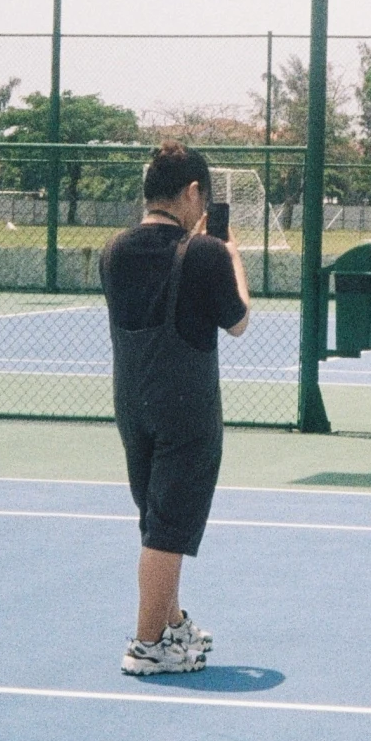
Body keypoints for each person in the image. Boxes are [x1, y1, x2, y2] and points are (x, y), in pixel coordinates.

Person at [99, 143, 250, 675]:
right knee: (167, 530)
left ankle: (172, 623)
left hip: (132, 404)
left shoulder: (113, 250)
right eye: (201, 197)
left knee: (157, 523)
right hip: (186, 408)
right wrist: (229, 252)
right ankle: (146, 644)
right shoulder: (203, 253)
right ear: (191, 193)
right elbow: (237, 321)